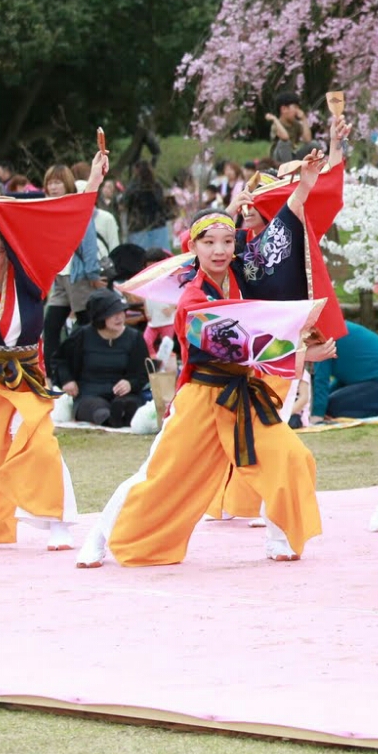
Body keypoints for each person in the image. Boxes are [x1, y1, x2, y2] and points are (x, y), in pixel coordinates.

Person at [76, 156, 329, 568]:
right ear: (192, 247)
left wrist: (303, 188)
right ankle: (99, 537)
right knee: (156, 477)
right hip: (200, 396)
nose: (219, 250)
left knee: (291, 457)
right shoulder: (193, 298)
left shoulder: (244, 272)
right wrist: (299, 351)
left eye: (227, 242)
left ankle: (278, 535)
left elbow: (281, 234)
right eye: (208, 243)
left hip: (243, 393)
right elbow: (237, 340)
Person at [0, 140, 109, 552]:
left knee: (41, 441)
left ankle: (57, 522)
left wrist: (92, 185)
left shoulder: (31, 277)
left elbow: (63, 232)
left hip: (25, 374)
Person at [39, 163, 106, 383]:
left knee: (85, 325)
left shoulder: (77, 206)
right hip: (60, 276)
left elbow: (88, 243)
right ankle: (52, 375)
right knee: (51, 326)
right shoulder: (47, 207)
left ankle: (88, 371)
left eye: (58, 182)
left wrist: (93, 274)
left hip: (79, 275)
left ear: (67, 183)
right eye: (50, 182)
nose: (53, 187)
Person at [58, 289, 151, 428]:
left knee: (129, 405)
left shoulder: (135, 338)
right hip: (90, 392)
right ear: (100, 317)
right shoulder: (82, 335)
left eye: (121, 312)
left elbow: (143, 372)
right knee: (97, 410)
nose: (119, 317)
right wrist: (67, 380)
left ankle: (123, 414)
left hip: (122, 393)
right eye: (113, 314)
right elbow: (60, 360)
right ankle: (109, 418)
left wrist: (130, 383)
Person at [309, 320, 378, 420]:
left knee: (333, 408)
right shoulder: (333, 327)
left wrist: (317, 414)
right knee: (328, 403)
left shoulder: (321, 337)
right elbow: (348, 377)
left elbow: (321, 378)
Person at [266, 90, 311, 164]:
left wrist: (304, 119)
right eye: (295, 108)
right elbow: (285, 138)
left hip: (292, 155)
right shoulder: (276, 125)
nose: (297, 111)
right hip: (278, 159)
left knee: (313, 144)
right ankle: (288, 171)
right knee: (284, 143)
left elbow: (308, 140)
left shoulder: (296, 124)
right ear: (284, 109)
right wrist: (274, 119)